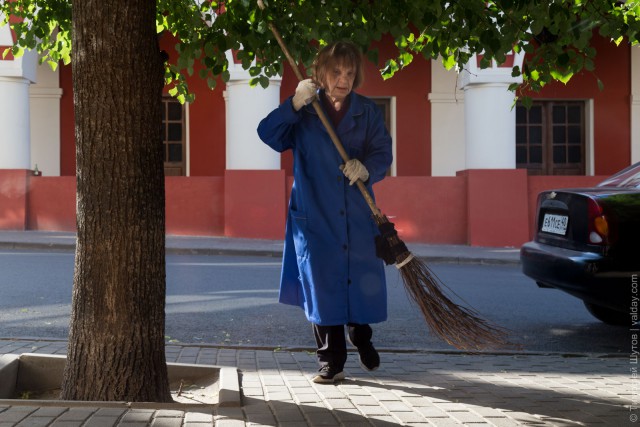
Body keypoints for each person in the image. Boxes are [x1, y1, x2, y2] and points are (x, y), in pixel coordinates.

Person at [257, 41, 393, 384]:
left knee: (358, 282)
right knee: (321, 287)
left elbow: (382, 153)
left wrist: (366, 169)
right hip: (314, 215)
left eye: (349, 73)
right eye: (336, 72)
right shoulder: (305, 112)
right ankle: (331, 362)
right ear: (321, 73)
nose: (343, 79)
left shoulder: (367, 111)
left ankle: (361, 338)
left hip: (357, 213)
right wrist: (293, 103)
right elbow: (267, 134)